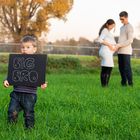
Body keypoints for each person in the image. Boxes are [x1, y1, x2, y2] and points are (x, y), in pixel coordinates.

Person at [3, 35, 47, 129]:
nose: (24, 49)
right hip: (16, 93)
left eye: (28, 47)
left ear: (34, 49)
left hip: (29, 95)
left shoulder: (37, 63)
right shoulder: (17, 61)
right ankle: (11, 128)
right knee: (12, 111)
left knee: (28, 113)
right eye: (22, 47)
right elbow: (12, 73)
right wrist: (6, 81)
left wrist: (43, 84)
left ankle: (29, 129)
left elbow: (40, 77)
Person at [97, 19, 117, 87]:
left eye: (113, 26)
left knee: (105, 69)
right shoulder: (105, 30)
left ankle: (103, 85)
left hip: (105, 51)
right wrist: (110, 45)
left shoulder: (106, 31)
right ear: (107, 24)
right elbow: (100, 40)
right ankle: (105, 86)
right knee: (109, 68)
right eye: (111, 26)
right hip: (106, 51)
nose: (112, 28)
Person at [116, 11, 134, 86]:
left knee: (127, 68)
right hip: (120, 51)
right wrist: (117, 46)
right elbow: (122, 39)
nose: (121, 21)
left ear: (126, 17)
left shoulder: (129, 27)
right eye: (120, 19)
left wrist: (119, 45)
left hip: (126, 51)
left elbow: (130, 40)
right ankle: (123, 83)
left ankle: (130, 83)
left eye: (122, 19)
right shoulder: (121, 27)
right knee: (121, 68)